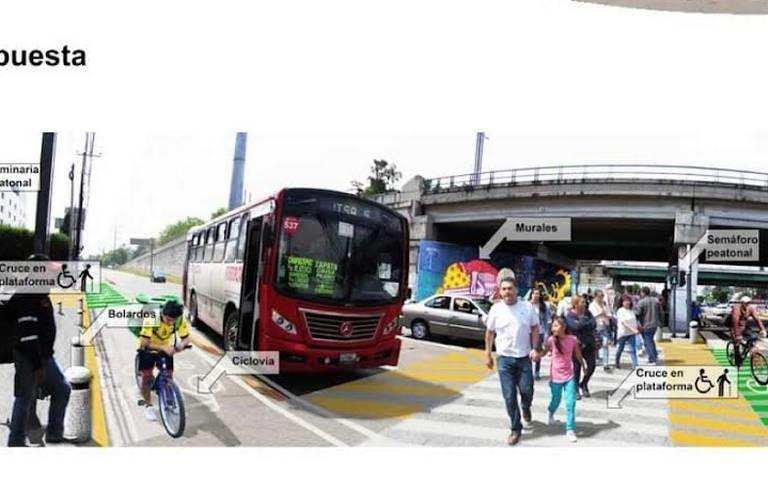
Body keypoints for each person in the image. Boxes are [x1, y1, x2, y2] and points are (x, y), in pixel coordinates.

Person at [5, 255, 71, 447]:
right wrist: (37, 365)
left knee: (60, 389)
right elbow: (28, 336)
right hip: (29, 357)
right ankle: (16, 441)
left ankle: (53, 433)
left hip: (43, 356)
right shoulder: (26, 295)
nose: (53, 277)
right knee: (24, 397)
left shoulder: (39, 293)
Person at [484, 275, 541, 446]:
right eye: (504, 289)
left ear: (516, 290)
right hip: (504, 359)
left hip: (524, 358)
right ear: (500, 292)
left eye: (510, 288)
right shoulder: (496, 310)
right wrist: (487, 354)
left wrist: (534, 348)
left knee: (526, 390)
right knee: (509, 396)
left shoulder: (527, 307)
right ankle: (516, 428)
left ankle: (526, 407)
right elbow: (489, 333)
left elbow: (535, 328)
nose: (507, 292)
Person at [137, 301, 191, 421]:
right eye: (168, 319)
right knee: (146, 378)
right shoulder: (151, 319)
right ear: (162, 313)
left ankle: (170, 401)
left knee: (168, 376)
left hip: (166, 349)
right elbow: (144, 343)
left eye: (173, 320)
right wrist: (162, 347)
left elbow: (186, 338)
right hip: (148, 349)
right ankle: (148, 406)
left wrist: (180, 346)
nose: (170, 322)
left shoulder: (178, 320)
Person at [544, 317, 586, 443]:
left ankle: (570, 429)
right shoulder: (551, 340)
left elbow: (577, 354)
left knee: (570, 403)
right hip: (555, 376)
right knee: (556, 400)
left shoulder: (572, 339)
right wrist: (535, 354)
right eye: (552, 326)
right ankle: (551, 413)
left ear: (563, 327)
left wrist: (583, 365)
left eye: (556, 326)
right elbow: (543, 352)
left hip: (569, 376)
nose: (553, 328)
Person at [565, 296, 597, 399]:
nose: (584, 304)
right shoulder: (570, 315)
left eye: (584, 302)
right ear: (575, 304)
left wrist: (582, 323)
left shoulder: (588, 313)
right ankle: (575, 390)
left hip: (589, 344)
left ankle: (583, 383)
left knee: (592, 366)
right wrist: (584, 323)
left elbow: (594, 324)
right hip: (576, 346)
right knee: (576, 369)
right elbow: (575, 327)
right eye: (582, 302)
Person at [728, 296, 767, 363]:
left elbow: (757, 319)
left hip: (744, 327)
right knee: (737, 342)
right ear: (742, 303)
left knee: (754, 337)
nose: (748, 304)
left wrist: (762, 329)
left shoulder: (750, 308)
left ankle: (746, 349)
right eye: (746, 303)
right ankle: (737, 360)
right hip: (735, 328)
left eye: (749, 303)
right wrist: (737, 335)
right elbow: (735, 322)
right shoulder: (736, 308)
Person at [634, 287, 662, 365]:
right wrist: (661, 323)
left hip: (645, 325)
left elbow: (637, 313)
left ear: (643, 293)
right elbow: (661, 313)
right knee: (650, 340)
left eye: (641, 292)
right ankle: (653, 356)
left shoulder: (641, 302)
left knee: (648, 341)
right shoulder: (656, 301)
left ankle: (652, 359)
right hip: (655, 324)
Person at [530, 288, 553, 381]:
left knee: (538, 352)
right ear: (531, 295)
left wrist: (547, 333)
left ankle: (536, 372)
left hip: (540, 332)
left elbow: (548, 320)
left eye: (538, 294)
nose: (536, 295)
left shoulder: (544, 306)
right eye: (534, 293)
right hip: (528, 332)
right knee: (528, 352)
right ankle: (528, 371)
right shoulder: (527, 305)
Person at [589, 289, 613, 372]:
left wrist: (605, 314)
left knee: (605, 344)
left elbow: (609, 314)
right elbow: (593, 316)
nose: (601, 298)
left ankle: (605, 364)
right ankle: (596, 359)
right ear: (595, 296)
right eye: (600, 296)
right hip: (596, 327)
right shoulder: (592, 305)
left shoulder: (605, 304)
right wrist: (602, 313)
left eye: (602, 296)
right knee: (596, 345)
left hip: (605, 326)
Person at [615, 294, 640, 369]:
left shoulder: (631, 311)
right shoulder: (620, 311)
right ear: (622, 302)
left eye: (628, 301)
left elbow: (634, 321)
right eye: (625, 301)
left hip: (631, 334)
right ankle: (617, 362)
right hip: (623, 333)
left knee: (633, 349)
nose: (627, 302)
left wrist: (638, 327)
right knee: (620, 349)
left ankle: (635, 364)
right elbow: (623, 322)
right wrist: (633, 329)